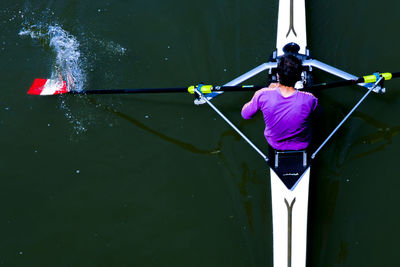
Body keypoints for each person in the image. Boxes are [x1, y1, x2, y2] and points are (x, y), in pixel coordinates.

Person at [241, 54, 318, 152]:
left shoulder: (262, 94)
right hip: (303, 143)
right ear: (299, 77)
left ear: (278, 75)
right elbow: (318, 114)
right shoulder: (310, 99)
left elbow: (245, 114)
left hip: (275, 144)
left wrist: (267, 91)